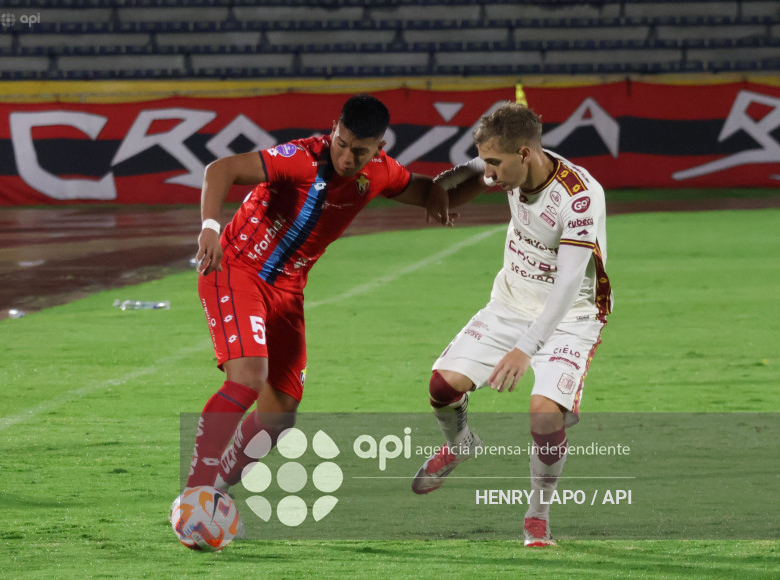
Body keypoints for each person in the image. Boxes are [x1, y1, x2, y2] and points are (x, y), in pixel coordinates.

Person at [177, 94, 452, 503]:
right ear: (334, 130)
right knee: (249, 378)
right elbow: (222, 169)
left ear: (380, 148)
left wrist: (461, 184)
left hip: (288, 293)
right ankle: (194, 494)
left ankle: (218, 490)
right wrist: (211, 227)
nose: (346, 156)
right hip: (236, 269)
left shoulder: (379, 173)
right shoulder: (301, 158)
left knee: (280, 415)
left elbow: (423, 189)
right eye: (341, 143)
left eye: (360, 150)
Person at [411, 102, 612, 547]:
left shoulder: (580, 198)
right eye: (487, 162)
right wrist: (442, 189)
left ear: (525, 154)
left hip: (571, 316)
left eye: (496, 163)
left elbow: (567, 283)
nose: (490, 173)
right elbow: (467, 172)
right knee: (442, 387)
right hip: (511, 302)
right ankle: (462, 444)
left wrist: (526, 348)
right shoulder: (508, 166)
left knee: (543, 415)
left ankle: (537, 516)